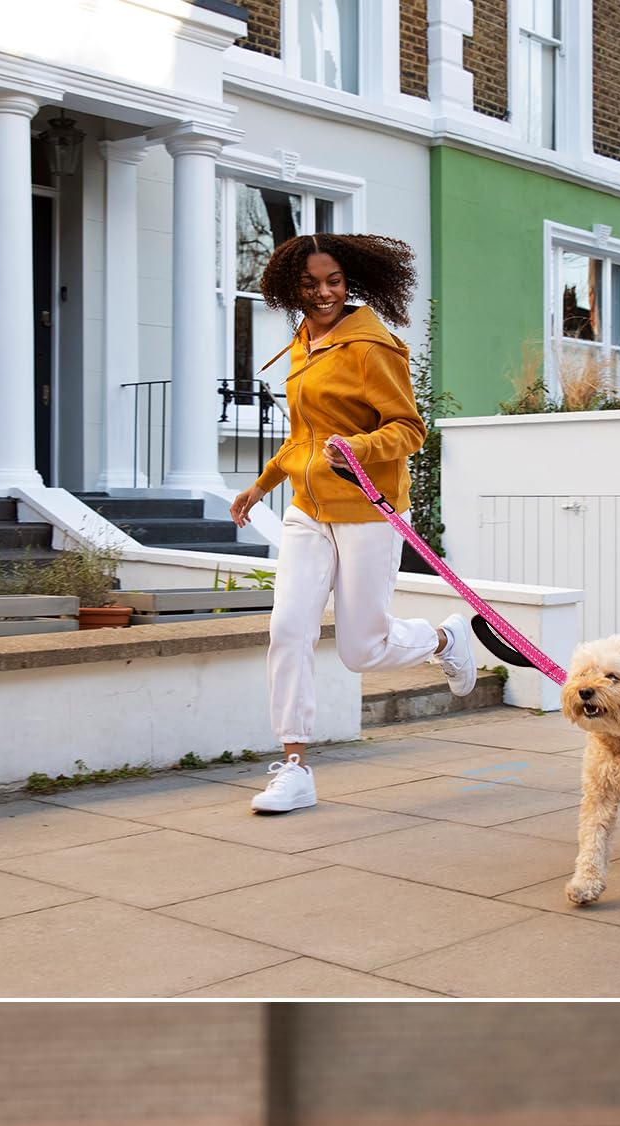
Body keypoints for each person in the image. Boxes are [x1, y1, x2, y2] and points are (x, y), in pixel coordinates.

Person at [228, 233, 479, 816]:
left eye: (333, 282)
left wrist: (360, 447)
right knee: (289, 630)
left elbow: (410, 429)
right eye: (311, 283)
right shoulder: (300, 344)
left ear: (350, 283)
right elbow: (300, 436)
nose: (322, 293)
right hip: (307, 512)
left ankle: (445, 638)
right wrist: (261, 485)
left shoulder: (373, 347)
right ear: (292, 287)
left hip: (367, 512)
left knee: (361, 649)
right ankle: (294, 766)